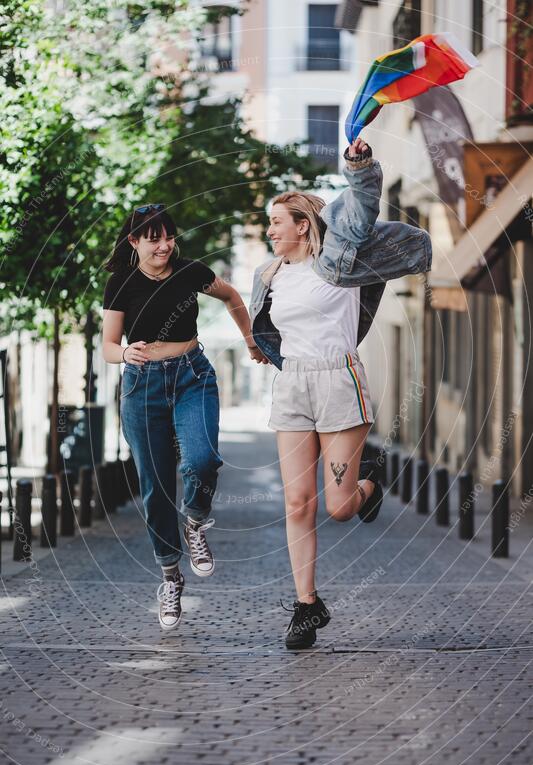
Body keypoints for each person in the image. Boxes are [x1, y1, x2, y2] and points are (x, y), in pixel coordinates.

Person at [249, 138, 432, 650]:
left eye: (277, 223)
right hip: (293, 385)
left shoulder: (340, 260)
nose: (270, 231)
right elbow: (267, 327)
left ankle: (368, 485)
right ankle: (307, 606)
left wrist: (359, 165)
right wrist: (263, 348)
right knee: (295, 500)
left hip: (339, 382)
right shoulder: (269, 275)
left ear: (302, 226)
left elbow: (360, 207)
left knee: (339, 507)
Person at [102, 203, 264, 631]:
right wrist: (124, 353)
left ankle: (194, 520)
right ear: (134, 242)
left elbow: (231, 296)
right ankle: (170, 577)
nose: (163, 245)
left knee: (202, 459)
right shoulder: (121, 283)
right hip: (142, 387)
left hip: (193, 375)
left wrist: (250, 341)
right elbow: (108, 345)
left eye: (168, 236)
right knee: (155, 487)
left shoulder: (191, 271)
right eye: (152, 237)